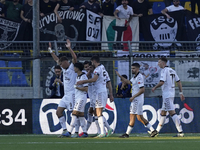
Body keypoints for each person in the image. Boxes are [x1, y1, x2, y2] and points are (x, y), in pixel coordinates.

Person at [76, 55, 114, 138]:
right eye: (86, 67)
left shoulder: (98, 70)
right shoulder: (100, 68)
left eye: (89, 66)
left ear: (93, 62)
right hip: (95, 95)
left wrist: (111, 94)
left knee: (98, 113)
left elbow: (99, 80)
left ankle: (102, 132)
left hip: (99, 93)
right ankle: (103, 130)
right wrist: (89, 72)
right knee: (93, 112)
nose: (88, 68)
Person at [115, 63, 155, 138]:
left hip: (137, 99)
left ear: (137, 69)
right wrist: (120, 76)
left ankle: (127, 134)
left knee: (132, 116)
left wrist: (133, 97)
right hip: (137, 99)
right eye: (131, 68)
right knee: (139, 117)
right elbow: (129, 82)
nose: (132, 70)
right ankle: (153, 131)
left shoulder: (139, 77)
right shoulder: (134, 77)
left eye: (133, 68)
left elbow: (142, 90)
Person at [48, 39, 77, 138]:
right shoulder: (64, 69)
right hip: (66, 95)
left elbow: (74, 57)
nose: (60, 66)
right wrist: (50, 50)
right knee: (58, 112)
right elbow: (56, 59)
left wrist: (69, 48)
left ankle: (76, 131)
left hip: (73, 93)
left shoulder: (72, 67)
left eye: (61, 64)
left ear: (65, 62)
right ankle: (65, 130)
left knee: (74, 113)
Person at [151, 57, 185, 137]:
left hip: (167, 95)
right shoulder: (172, 70)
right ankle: (156, 131)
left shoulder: (164, 70)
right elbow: (179, 82)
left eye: (159, 62)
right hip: (171, 94)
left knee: (172, 113)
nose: (158, 64)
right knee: (163, 112)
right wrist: (181, 93)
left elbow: (162, 82)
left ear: (163, 63)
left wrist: (155, 87)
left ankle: (180, 132)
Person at [63, 62, 89, 138]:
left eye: (74, 67)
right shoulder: (78, 76)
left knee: (74, 114)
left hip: (81, 98)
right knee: (80, 116)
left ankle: (69, 131)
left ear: (77, 68)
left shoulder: (83, 76)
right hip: (78, 98)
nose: (73, 69)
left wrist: (77, 88)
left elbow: (86, 89)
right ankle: (85, 132)